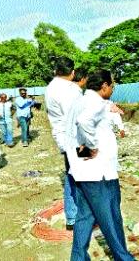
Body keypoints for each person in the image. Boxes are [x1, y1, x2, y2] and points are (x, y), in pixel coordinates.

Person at [66, 70, 134, 261]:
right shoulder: (94, 102)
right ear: (104, 85)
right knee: (111, 217)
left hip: (82, 171)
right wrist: (93, 148)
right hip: (99, 174)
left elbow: (71, 135)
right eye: (112, 85)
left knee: (85, 217)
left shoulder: (80, 101)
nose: (112, 89)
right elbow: (84, 122)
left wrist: (84, 153)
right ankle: (124, 258)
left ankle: (78, 258)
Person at [45, 57, 86, 230]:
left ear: (55, 71)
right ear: (72, 72)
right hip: (76, 139)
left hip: (63, 137)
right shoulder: (71, 90)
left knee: (72, 174)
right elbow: (79, 117)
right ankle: (78, 216)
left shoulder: (50, 87)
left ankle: (72, 217)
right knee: (82, 177)